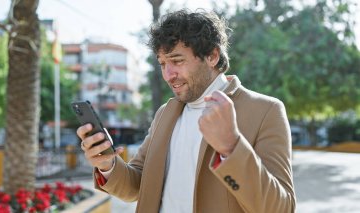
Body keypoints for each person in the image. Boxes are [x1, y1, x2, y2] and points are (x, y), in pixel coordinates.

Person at [77, 9, 296, 213]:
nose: (168, 74)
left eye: (177, 60)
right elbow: (137, 185)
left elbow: (281, 207)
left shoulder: (266, 111)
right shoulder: (165, 113)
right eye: (162, 63)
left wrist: (232, 147)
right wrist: (107, 165)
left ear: (212, 56)